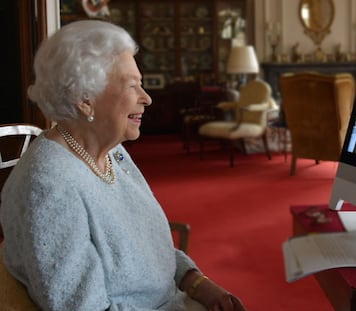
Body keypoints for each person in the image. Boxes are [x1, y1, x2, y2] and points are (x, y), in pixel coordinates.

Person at [0, 20, 247, 311]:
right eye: (132, 86)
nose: (147, 98)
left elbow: (148, 247)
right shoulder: (48, 186)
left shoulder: (112, 153)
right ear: (85, 100)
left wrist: (196, 282)